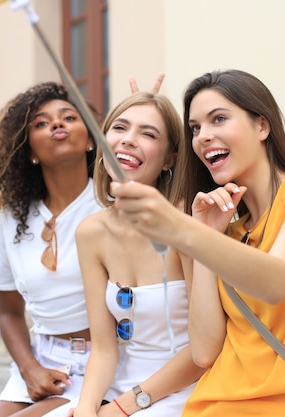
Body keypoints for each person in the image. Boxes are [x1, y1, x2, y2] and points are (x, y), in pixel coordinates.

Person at [108, 69, 285, 416]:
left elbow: (275, 280)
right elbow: (204, 351)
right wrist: (207, 233)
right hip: (213, 404)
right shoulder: (228, 231)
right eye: (195, 128)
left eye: (218, 119)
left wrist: (182, 228)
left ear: (262, 126)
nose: (203, 137)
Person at [71, 92, 205, 417]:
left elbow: (205, 351)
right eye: (119, 127)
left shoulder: (188, 223)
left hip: (185, 390)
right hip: (120, 386)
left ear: (169, 159)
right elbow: (104, 348)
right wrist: (87, 407)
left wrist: (123, 407)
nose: (129, 141)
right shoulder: (91, 233)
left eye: (148, 134)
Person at [0, 81, 101, 417]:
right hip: (42, 360)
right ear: (29, 150)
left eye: (69, 118)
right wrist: (30, 368)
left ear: (91, 139)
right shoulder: (9, 221)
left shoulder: (113, 206)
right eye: (41, 123)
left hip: (105, 362)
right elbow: (10, 313)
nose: (57, 125)